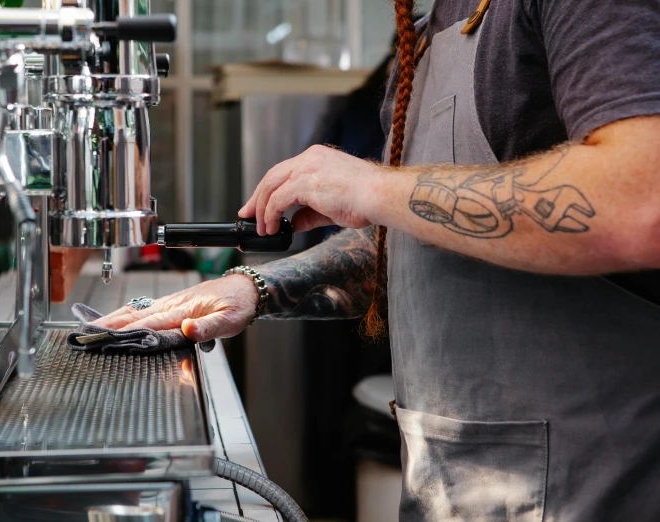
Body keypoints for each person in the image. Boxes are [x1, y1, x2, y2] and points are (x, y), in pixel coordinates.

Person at [96, 0, 660, 519]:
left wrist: (374, 188)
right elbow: (418, 242)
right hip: (455, 489)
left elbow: (639, 201)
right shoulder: (427, 30)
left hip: (595, 486)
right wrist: (255, 289)